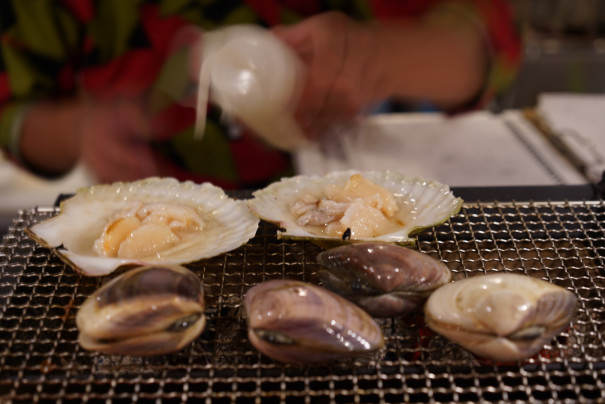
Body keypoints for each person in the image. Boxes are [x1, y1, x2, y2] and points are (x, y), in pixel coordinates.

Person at [0, 0, 520, 189]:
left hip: (332, 204)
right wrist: (77, 128)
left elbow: (489, 37)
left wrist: (378, 55)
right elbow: (12, 111)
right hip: (137, 216)